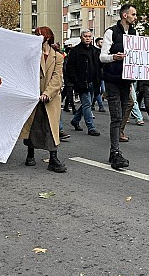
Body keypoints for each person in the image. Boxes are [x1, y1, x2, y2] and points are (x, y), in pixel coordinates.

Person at [20, 26, 67, 173]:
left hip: (50, 98)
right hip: (34, 96)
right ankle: (30, 154)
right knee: (33, 125)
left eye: (38, 35)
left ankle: (53, 158)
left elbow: (57, 78)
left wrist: (47, 93)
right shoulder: (32, 54)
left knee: (51, 128)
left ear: (46, 38)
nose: (35, 37)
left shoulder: (58, 56)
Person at [100, 4, 137, 170]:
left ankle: (113, 150)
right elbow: (102, 57)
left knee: (121, 114)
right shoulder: (111, 32)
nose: (135, 17)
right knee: (116, 116)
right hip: (113, 80)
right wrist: (114, 57)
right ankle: (115, 152)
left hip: (126, 80)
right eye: (133, 14)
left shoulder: (135, 33)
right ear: (124, 15)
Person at [66, 29, 101, 136]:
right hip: (82, 83)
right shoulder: (75, 51)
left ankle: (75, 121)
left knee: (87, 104)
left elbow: (99, 66)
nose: (87, 38)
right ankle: (91, 127)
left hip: (93, 82)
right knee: (87, 105)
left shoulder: (95, 50)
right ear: (81, 38)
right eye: (85, 36)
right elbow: (70, 67)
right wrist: (76, 80)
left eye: (89, 36)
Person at [91, 37, 106, 112]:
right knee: (98, 89)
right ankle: (101, 105)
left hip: (102, 75)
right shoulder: (95, 52)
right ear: (97, 43)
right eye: (101, 42)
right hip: (96, 74)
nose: (102, 44)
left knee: (101, 90)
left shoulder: (104, 52)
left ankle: (92, 103)